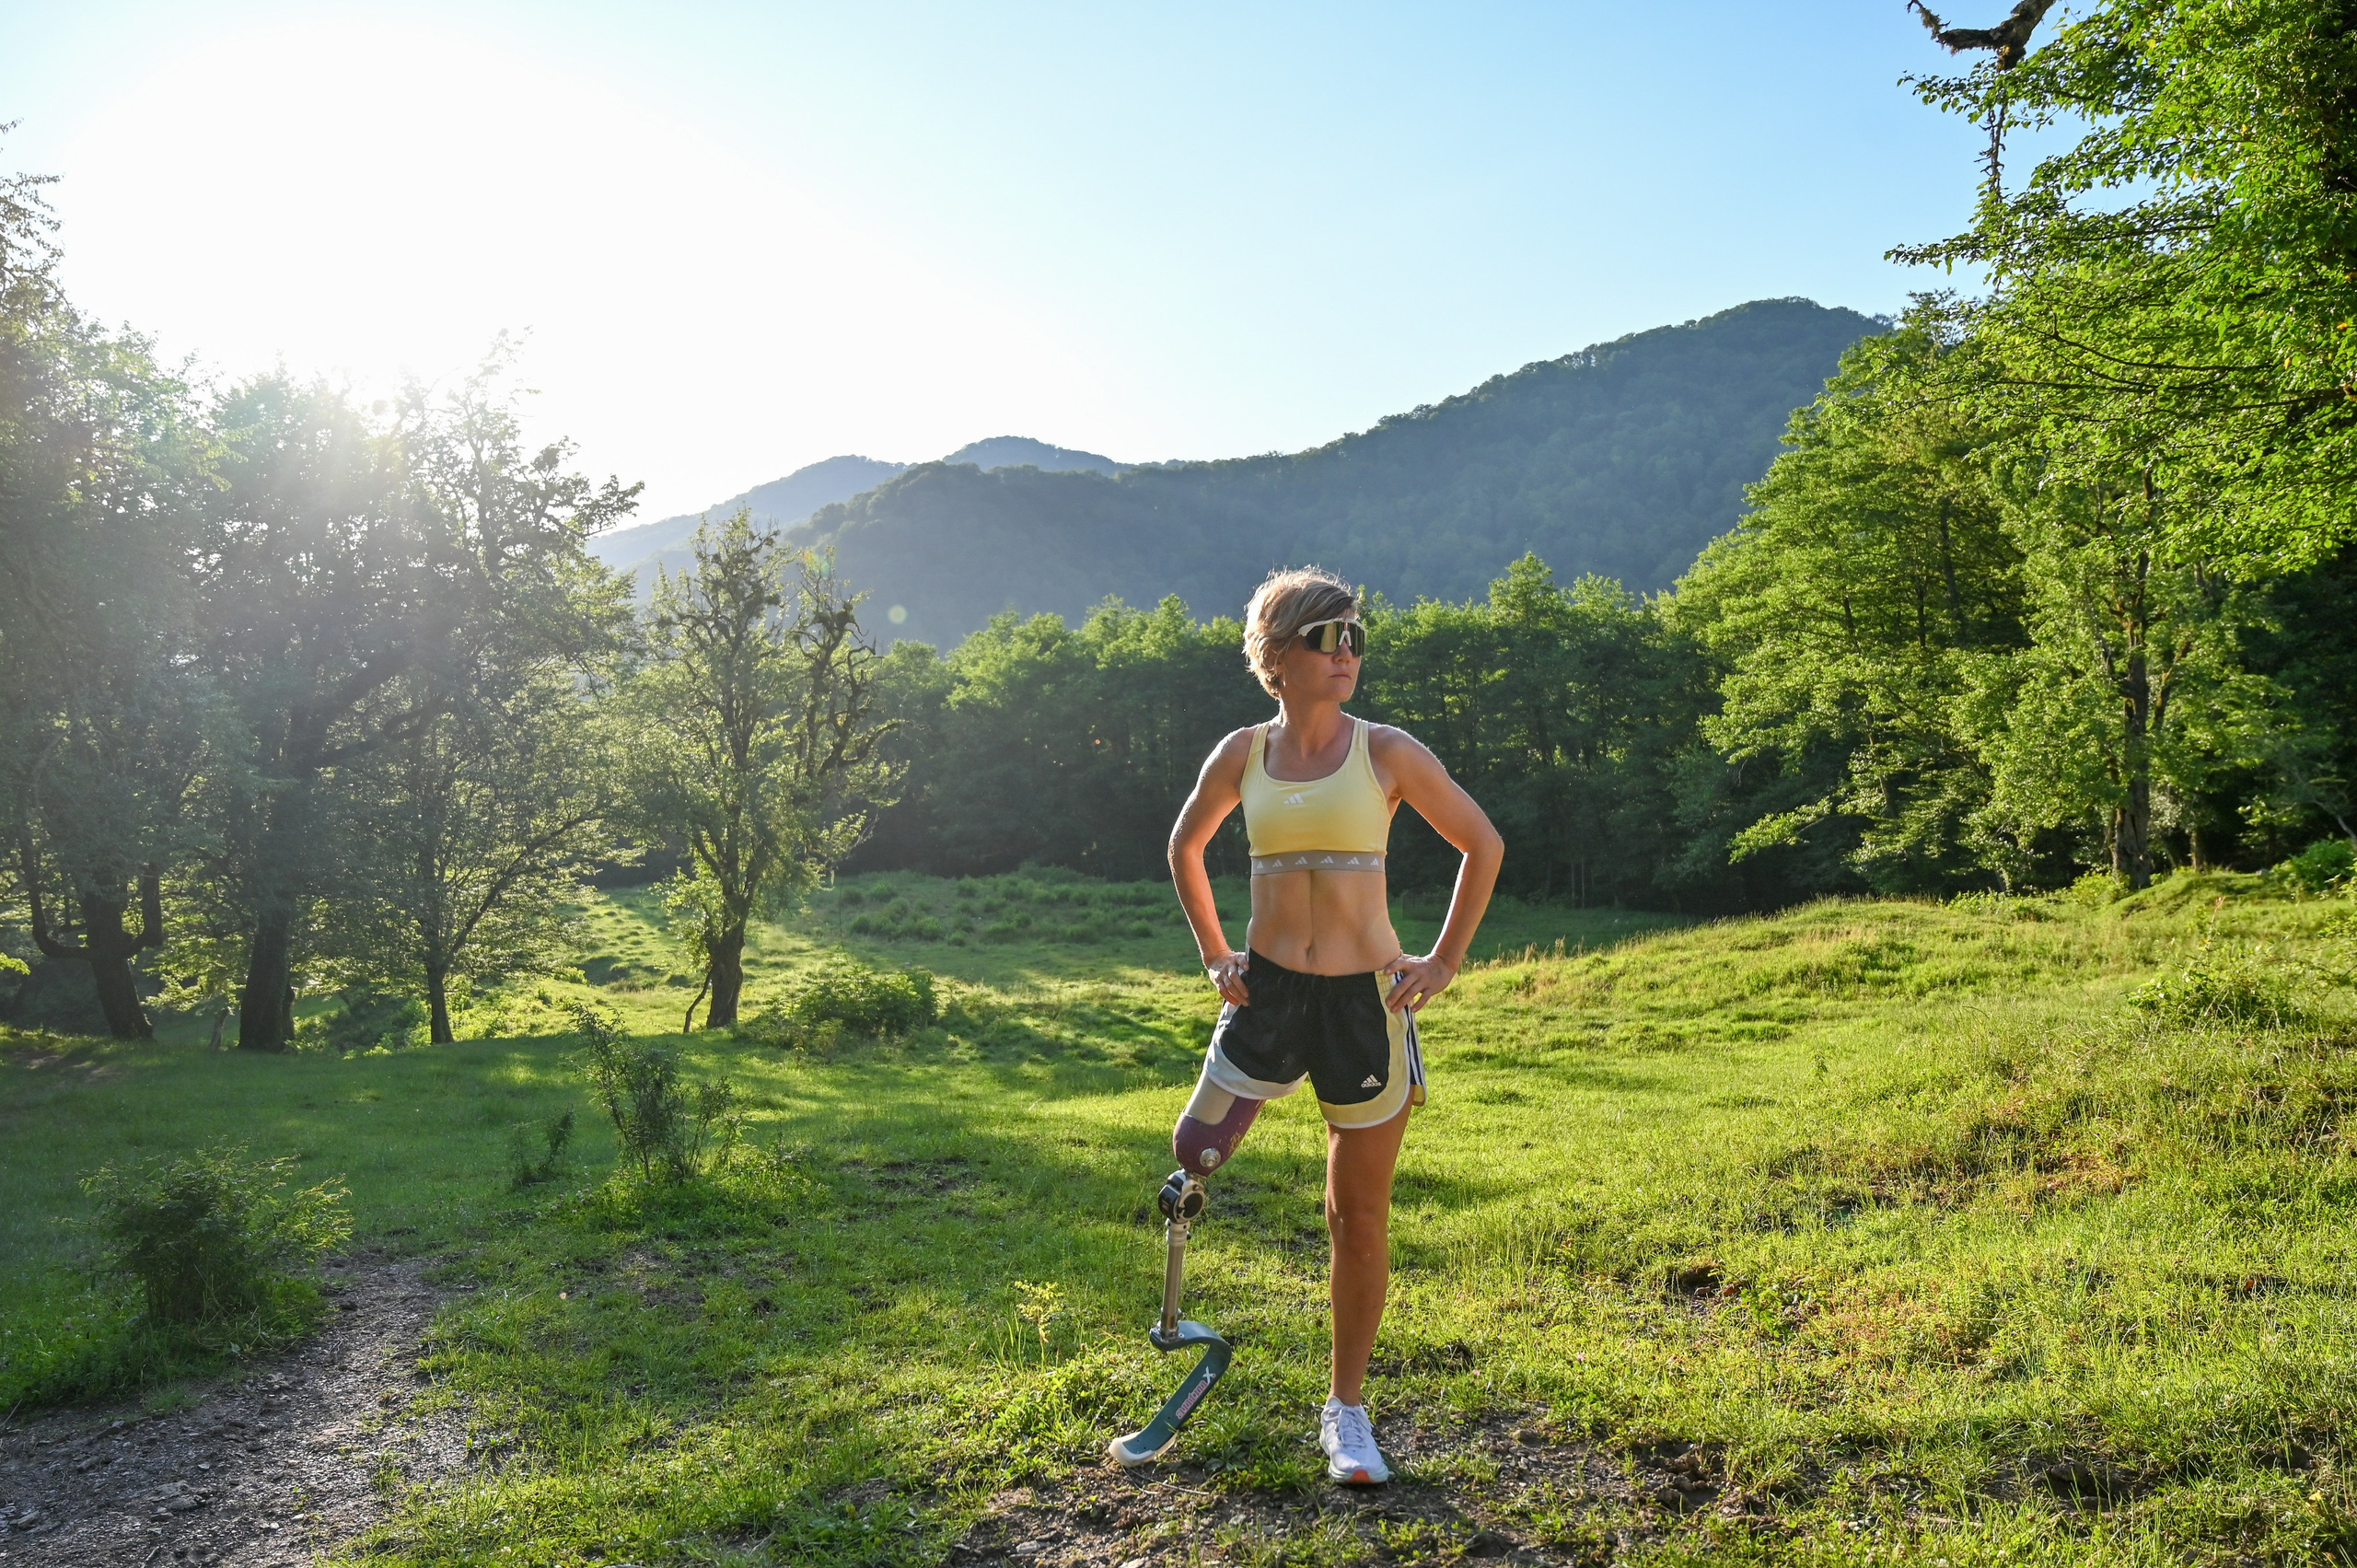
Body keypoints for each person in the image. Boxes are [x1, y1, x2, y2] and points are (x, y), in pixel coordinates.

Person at [1166, 564, 1503, 1485]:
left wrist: (1444, 960)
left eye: (1355, 635)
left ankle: (1345, 1411)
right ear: (1276, 656)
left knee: (1356, 1216)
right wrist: (1215, 953)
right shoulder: (1241, 753)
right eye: (1326, 637)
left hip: (1366, 1006)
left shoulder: (1386, 751)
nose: (1346, 651)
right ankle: (1177, 1295)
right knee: (1193, 1152)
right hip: (1268, 994)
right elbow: (1184, 844)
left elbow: (1483, 842)